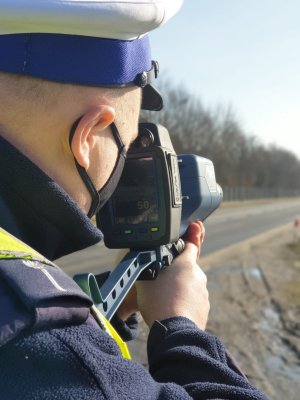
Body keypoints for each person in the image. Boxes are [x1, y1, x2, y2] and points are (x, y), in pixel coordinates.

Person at [0, 1, 267, 399]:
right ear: (87, 138)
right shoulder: (53, 355)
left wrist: (98, 310)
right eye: (124, 145)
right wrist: (181, 329)